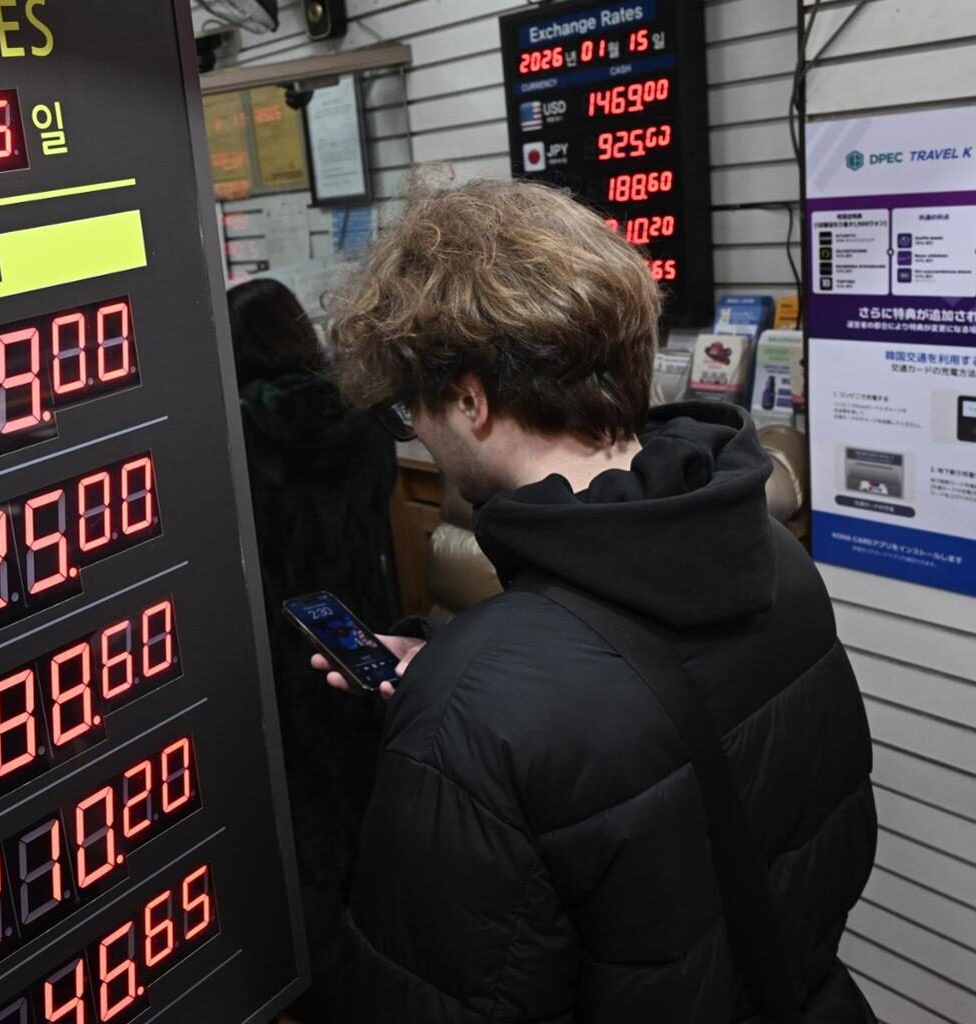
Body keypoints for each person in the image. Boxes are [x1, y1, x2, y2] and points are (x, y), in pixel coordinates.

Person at [313, 179, 877, 1022]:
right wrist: (466, 682)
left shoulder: (478, 706)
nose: (417, 431)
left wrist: (459, 706)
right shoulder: (771, 556)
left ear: (470, 398)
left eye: (412, 406)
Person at [224, 278, 398, 1024]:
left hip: (281, 653)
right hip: (364, 632)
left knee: (306, 832)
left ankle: (326, 994)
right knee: (377, 803)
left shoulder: (237, 434)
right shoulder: (363, 421)